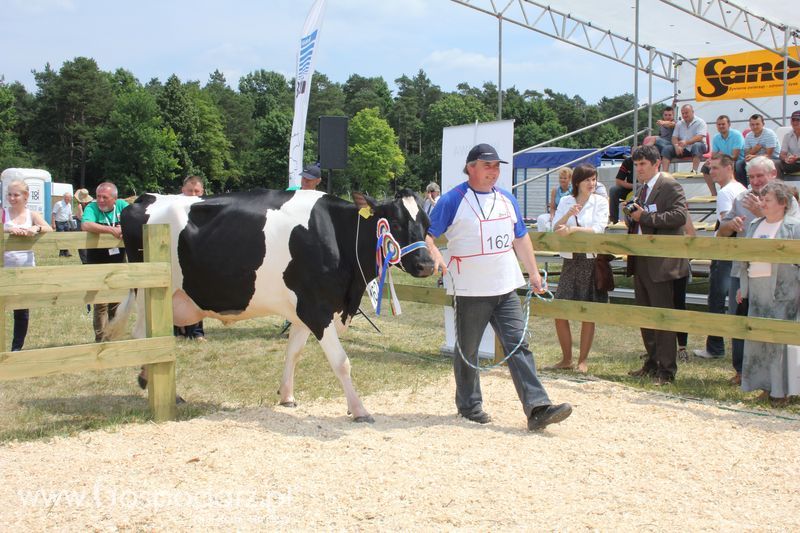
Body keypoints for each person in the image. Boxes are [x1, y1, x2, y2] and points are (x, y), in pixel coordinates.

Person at [425, 143, 572, 431]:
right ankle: (469, 405)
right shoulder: (452, 200)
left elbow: (521, 238)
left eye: (497, 166)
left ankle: (537, 407)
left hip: (505, 287)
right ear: (471, 168)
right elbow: (428, 236)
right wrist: (437, 259)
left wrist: (533, 274)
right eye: (487, 165)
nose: (494, 171)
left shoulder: (507, 199)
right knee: (467, 349)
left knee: (519, 344)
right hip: (470, 290)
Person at [718, 156, 799, 385]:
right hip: (747, 277)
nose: (754, 181)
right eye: (751, 176)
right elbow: (722, 232)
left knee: (778, 334)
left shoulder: (789, 204)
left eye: (759, 176)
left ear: (772, 174)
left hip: (781, 284)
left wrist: (762, 212)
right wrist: (729, 226)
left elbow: (790, 232)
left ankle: (782, 384)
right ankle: (748, 374)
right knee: (746, 326)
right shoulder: (741, 199)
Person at [625, 145, 690, 385]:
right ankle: (652, 363)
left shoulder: (670, 185)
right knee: (646, 315)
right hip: (641, 258)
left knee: (662, 317)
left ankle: (667, 370)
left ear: (656, 164)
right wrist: (630, 216)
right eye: (636, 164)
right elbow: (640, 218)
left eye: (643, 164)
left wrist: (645, 217)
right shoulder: (641, 189)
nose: (639, 169)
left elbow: (679, 216)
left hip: (662, 261)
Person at [736, 181, 800, 406]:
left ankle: (782, 392)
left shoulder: (794, 227)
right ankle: (765, 386)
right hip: (757, 290)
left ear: (782, 203)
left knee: (779, 343)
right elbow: (744, 259)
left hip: (784, 292)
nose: (762, 204)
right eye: (761, 199)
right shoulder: (755, 225)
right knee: (758, 340)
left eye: (767, 200)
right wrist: (741, 287)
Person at [547, 164, 610, 373]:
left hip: (590, 260)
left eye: (594, 179)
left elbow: (599, 229)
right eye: (587, 180)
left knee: (587, 311)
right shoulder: (566, 200)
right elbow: (555, 227)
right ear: (578, 182)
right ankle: (566, 358)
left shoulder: (600, 201)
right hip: (570, 260)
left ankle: (583, 360)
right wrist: (567, 216)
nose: (591, 184)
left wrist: (573, 229)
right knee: (560, 309)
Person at [693, 154, 747, 360]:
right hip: (737, 252)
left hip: (725, 251)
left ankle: (715, 346)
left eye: (716, 168)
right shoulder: (741, 188)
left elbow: (728, 223)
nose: (712, 172)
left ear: (729, 168)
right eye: (711, 168)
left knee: (716, 298)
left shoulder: (725, 192)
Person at [3, 179, 53, 351]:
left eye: (16, 194)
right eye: (9, 194)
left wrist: (36, 229)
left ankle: (16, 348)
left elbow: (49, 228)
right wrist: (7, 229)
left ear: (25, 196)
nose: (12, 198)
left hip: (25, 270)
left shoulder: (31, 214)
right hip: (4, 267)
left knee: (21, 310)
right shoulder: (3, 213)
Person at [81, 181, 128, 342]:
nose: (100, 200)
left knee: (116, 300)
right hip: (97, 261)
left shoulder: (122, 205)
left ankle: (113, 337)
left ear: (114, 199)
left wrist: (125, 227)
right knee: (100, 303)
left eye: (104, 197)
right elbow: (86, 224)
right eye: (98, 196)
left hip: (118, 262)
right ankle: (100, 339)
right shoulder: (92, 207)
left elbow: (135, 218)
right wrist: (112, 230)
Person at [174, 176, 207, 342]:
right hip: (176, 256)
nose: (193, 194)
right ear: (182, 190)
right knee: (174, 292)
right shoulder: (172, 206)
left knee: (196, 292)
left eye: (197, 191)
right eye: (189, 190)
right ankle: (176, 330)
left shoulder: (205, 207)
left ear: (202, 192)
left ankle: (196, 332)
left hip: (197, 256)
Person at [699, 115, 745, 196]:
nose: (721, 126)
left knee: (736, 166)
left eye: (723, 124)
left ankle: (741, 193)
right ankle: (714, 195)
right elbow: (714, 155)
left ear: (729, 124)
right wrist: (710, 160)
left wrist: (720, 158)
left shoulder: (736, 135)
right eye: (719, 124)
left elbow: (735, 156)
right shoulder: (716, 137)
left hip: (738, 160)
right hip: (724, 160)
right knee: (705, 168)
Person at [661, 104, 708, 174]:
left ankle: (694, 171)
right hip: (683, 148)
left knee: (697, 145)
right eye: (683, 113)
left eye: (686, 113)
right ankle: (665, 174)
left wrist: (686, 142)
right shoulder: (679, 123)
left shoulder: (700, 122)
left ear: (692, 112)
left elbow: (699, 137)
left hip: (698, 147)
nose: (684, 115)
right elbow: (674, 137)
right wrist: (676, 146)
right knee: (667, 149)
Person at [736, 114, 781, 185]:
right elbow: (747, 154)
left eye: (757, 124)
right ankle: (743, 188)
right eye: (752, 125)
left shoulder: (769, 134)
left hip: (772, 158)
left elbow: (769, 155)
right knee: (739, 164)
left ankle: (772, 187)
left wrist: (754, 155)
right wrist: (755, 149)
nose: (755, 127)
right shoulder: (748, 136)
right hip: (755, 159)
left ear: (763, 124)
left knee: (767, 164)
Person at [608, 156, 633, 223]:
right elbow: (618, 181)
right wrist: (633, 186)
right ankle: (614, 220)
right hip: (630, 187)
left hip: (643, 186)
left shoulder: (648, 160)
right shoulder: (628, 161)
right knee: (613, 190)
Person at [51, 191, 74, 257]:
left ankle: (65, 252)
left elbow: (70, 215)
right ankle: (63, 253)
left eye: (70, 198)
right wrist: (53, 224)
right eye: (67, 198)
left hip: (66, 222)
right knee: (61, 238)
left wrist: (72, 224)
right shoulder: (59, 204)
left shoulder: (69, 205)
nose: (69, 199)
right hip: (59, 223)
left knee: (66, 238)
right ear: (64, 198)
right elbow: (53, 213)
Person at [73, 188, 93, 265]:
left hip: (82, 226)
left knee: (82, 247)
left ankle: (85, 262)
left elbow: (81, 217)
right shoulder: (90, 205)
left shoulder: (80, 206)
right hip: (88, 227)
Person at [778, 110, 800, 176]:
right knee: (775, 164)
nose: (795, 122)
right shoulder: (787, 136)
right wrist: (786, 159)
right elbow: (782, 154)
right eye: (793, 120)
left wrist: (797, 158)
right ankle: (778, 185)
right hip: (794, 163)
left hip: (796, 161)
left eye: (798, 120)